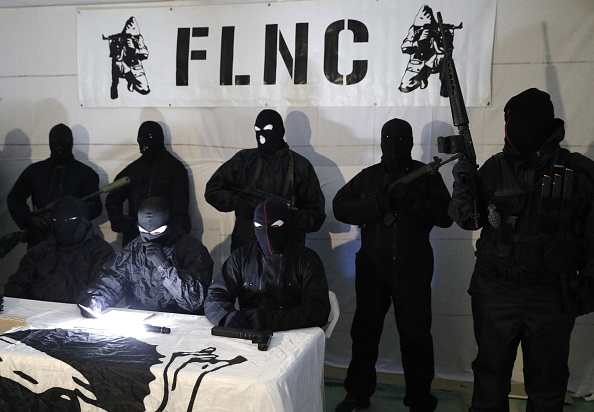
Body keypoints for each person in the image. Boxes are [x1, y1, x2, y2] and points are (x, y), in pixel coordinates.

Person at [448, 88, 594, 411]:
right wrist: (463, 182)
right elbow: (466, 219)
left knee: (547, 389)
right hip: (495, 290)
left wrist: (581, 293)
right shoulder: (494, 168)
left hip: (549, 295)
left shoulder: (578, 173)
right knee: (489, 384)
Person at [332, 118, 453, 412]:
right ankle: (358, 394)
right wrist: (376, 205)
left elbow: (445, 216)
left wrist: (412, 197)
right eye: (389, 138)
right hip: (373, 269)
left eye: (401, 140)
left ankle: (420, 399)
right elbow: (340, 207)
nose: (394, 145)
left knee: (416, 336)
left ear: (411, 142)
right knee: (364, 334)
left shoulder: (425, 176)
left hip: (413, 269)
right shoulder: (369, 177)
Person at [204, 109, 326, 253]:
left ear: (281, 131)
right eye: (258, 130)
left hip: (287, 252)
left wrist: (289, 218)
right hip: (246, 249)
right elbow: (213, 189)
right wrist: (238, 202)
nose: (262, 136)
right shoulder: (244, 161)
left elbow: (316, 214)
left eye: (268, 130)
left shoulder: (300, 167)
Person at [204, 198, 331, 332]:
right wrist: (226, 316)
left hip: (295, 333)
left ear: (288, 224)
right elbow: (215, 295)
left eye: (275, 226)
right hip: (251, 333)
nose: (266, 233)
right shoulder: (241, 257)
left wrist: (271, 320)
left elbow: (319, 309)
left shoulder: (306, 260)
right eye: (259, 226)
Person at [79, 196, 213, 316]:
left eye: (157, 231)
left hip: (181, 322)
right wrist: (95, 300)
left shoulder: (192, 249)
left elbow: (194, 302)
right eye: (143, 231)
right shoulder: (135, 248)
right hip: (143, 319)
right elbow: (112, 279)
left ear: (170, 224)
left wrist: (163, 265)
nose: (149, 237)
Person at [7, 123, 102, 248]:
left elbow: (95, 206)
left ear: (71, 143)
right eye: (54, 143)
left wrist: (70, 218)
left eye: (63, 143)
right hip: (41, 241)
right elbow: (15, 198)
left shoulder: (86, 174)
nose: (59, 148)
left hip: (74, 243)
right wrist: (29, 220)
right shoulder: (35, 171)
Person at [5, 196, 114, 303]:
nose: (63, 225)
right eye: (57, 220)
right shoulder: (39, 252)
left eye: (70, 219)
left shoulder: (101, 252)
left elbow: (104, 291)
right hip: (36, 314)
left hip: (78, 316)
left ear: (82, 221)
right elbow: (16, 285)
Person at [105, 121, 191, 247]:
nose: (143, 145)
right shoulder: (133, 170)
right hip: (135, 235)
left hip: (165, 236)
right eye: (141, 140)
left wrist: (176, 240)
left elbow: (180, 209)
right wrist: (120, 221)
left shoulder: (174, 168)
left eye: (147, 139)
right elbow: (113, 198)